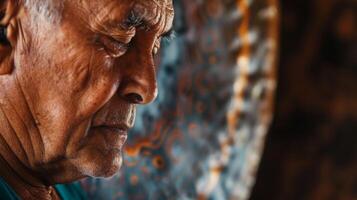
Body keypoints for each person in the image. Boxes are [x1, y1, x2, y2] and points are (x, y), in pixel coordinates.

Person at [0, 0, 174, 199]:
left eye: (155, 48)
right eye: (120, 39)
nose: (149, 90)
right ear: (6, 36)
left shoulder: (60, 190)